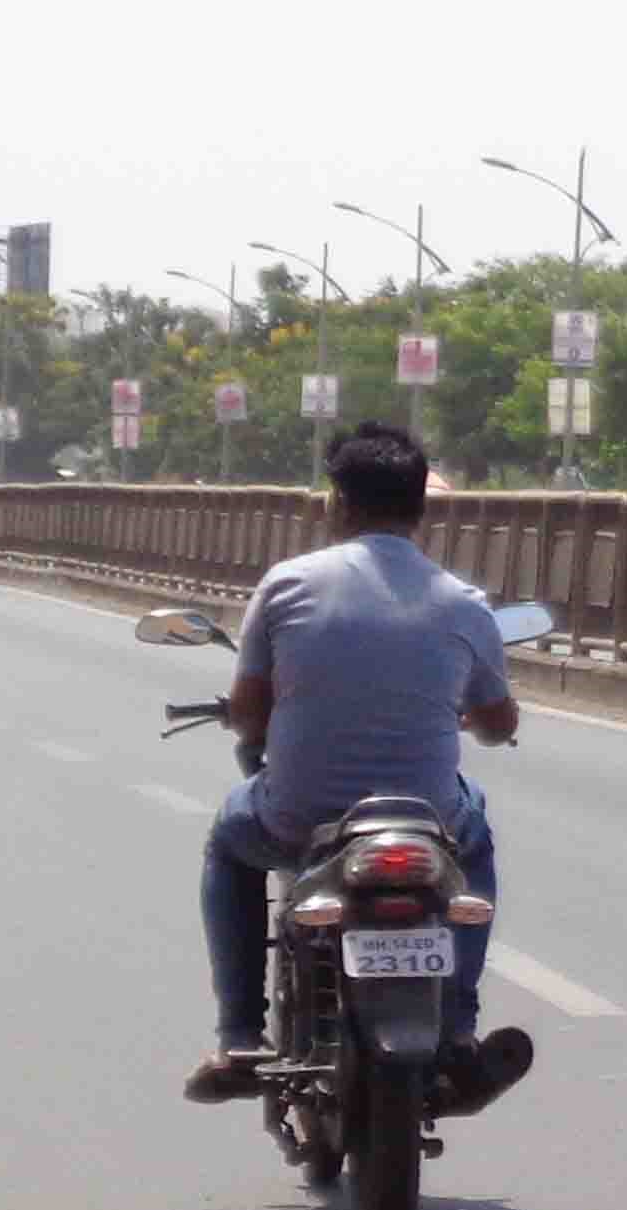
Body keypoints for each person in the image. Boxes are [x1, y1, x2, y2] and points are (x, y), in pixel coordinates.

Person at [187, 420, 534, 1117]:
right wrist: (464, 713)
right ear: (420, 509)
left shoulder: (287, 585)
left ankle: (238, 1035)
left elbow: (251, 714)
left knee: (230, 841)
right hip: (427, 822)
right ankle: (459, 1030)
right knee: (477, 833)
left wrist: (259, 713)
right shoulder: (464, 604)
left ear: (338, 502)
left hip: (300, 817)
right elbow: (499, 724)